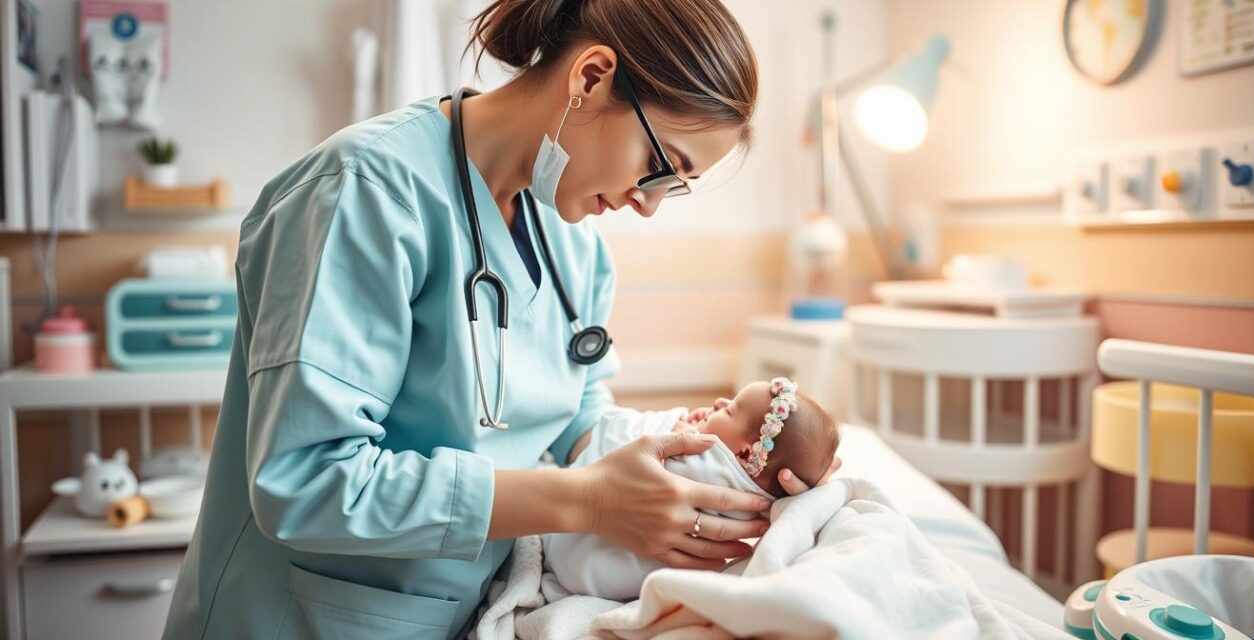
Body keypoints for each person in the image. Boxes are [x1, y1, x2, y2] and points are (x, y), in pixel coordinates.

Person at [163, 1, 835, 638]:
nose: (648, 205)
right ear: (591, 77)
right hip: (303, 619)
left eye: (671, 188)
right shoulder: (364, 193)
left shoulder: (574, 244)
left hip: (466, 611)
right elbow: (305, 483)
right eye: (662, 170)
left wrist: (702, 463)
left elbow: (575, 413)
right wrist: (587, 501)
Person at [542, 377, 842, 600]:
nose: (719, 403)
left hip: (576, 553)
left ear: (745, 454)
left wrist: (670, 424)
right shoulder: (754, 502)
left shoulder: (694, 456)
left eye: (731, 410)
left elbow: (615, 427)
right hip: (604, 574)